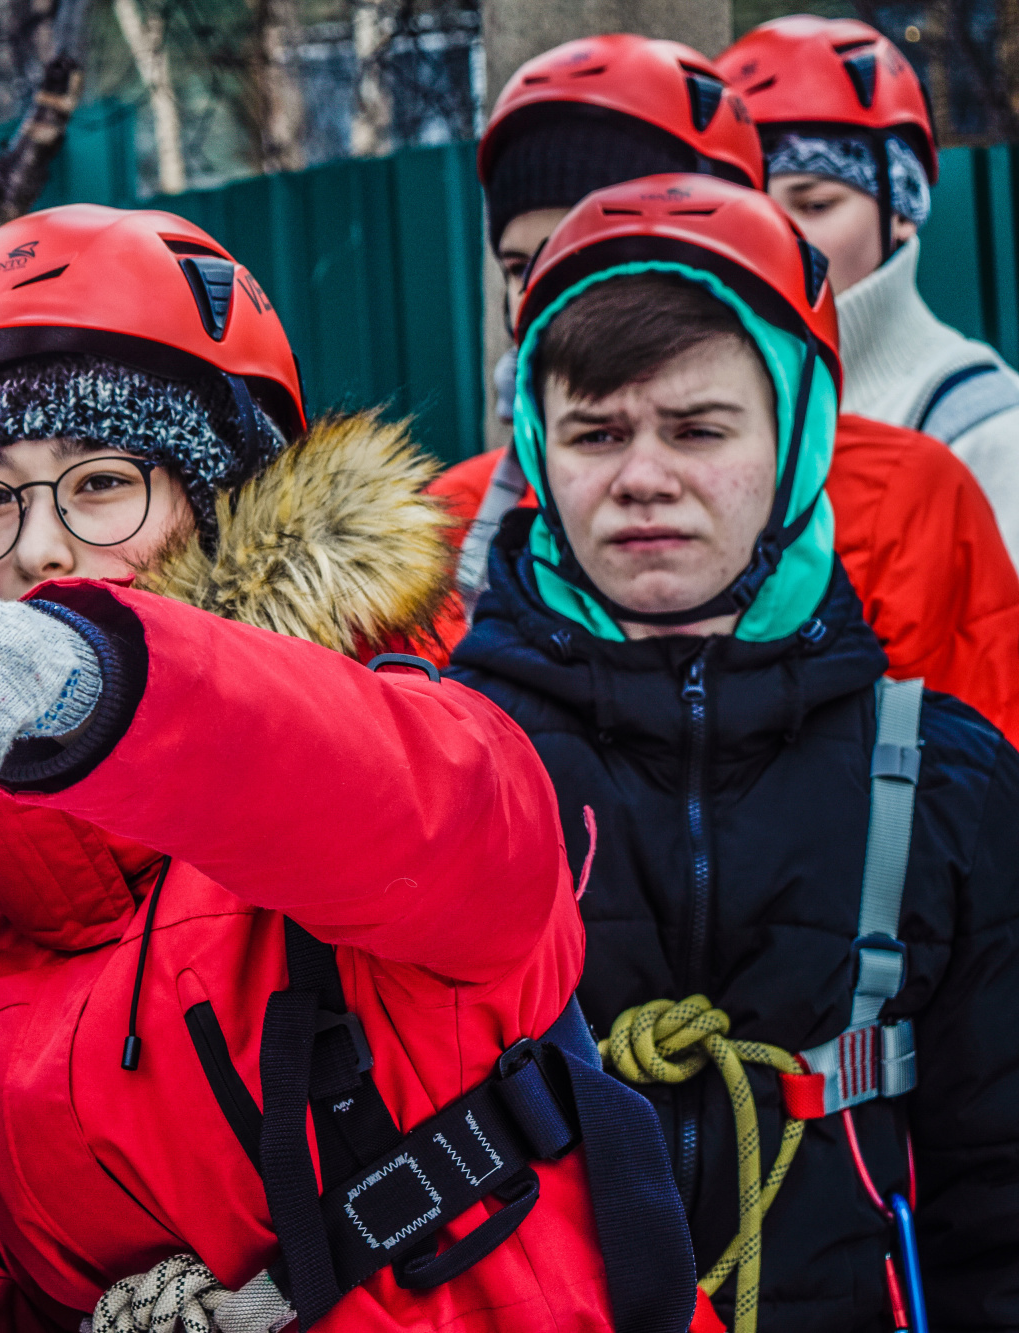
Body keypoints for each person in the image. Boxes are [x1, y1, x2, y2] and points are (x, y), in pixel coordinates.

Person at [0, 204, 707, 1333]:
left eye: (99, 482)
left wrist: (96, 686)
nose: (37, 548)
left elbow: (464, 832)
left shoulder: (401, 738)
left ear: (223, 504)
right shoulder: (15, 926)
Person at [446, 174, 1019, 1333]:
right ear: (534, 450)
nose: (641, 476)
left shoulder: (938, 779)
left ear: (799, 434)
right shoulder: (442, 762)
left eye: (698, 429)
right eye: (594, 433)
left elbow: (998, 1187)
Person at [435, 33, 1019, 745]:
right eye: (523, 264)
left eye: (595, 251)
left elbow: (969, 793)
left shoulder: (906, 497)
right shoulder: (449, 531)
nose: (553, 293)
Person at [721, 14, 1019, 559]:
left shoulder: (985, 429)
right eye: (744, 211)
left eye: (814, 205)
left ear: (903, 211)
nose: (774, 236)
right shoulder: (688, 415)